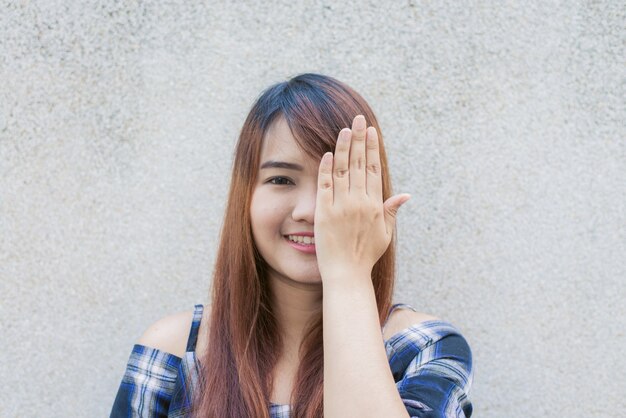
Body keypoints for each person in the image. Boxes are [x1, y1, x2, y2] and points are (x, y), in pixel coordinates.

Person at [110, 73, 473, 418]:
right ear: (245, 197)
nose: (311, 211)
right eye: (281, 179)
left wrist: (347, 275)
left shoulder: (421, 347)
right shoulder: (174, 351)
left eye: (338, 181)